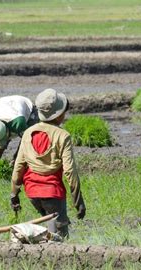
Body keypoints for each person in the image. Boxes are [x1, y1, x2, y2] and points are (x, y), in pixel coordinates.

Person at [10, 88, 86, 238]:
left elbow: (19, 166)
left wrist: (14, 194)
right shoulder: (62, 136)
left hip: (32, 193)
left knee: (52, 225)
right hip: (52, 192)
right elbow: (70, 171)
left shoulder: (28, 133)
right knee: (60, 236)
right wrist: (78, 200)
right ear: (59, 114)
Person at [0, 95, 38, 178]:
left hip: (26, 110)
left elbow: (27, 142)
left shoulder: (18, 124)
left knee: (23, 156)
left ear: (7, 132)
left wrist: (16, 159)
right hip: (3, 105)